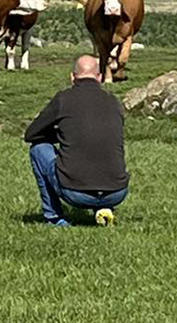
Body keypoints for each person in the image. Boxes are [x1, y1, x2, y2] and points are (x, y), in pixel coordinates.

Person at [23, 55, 130, 227]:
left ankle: (55, 217)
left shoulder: (64, 99)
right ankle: (104, 208)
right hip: (117, 192)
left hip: (75, 193)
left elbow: (31, 134)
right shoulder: (113, 101)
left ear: (72, 77)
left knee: (38, 149)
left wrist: (60, 135)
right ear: (100, 77)